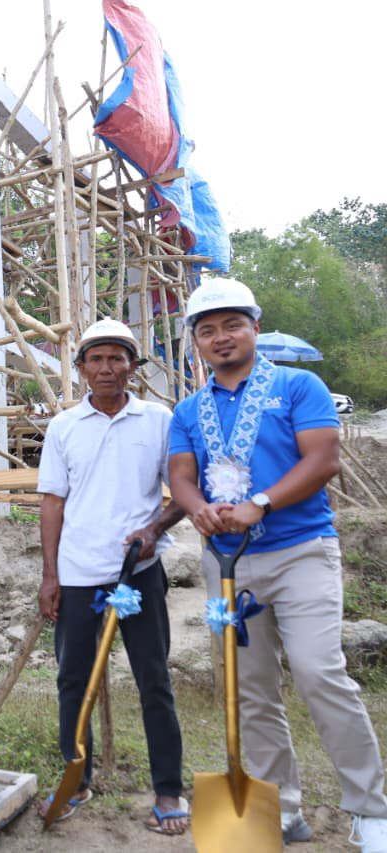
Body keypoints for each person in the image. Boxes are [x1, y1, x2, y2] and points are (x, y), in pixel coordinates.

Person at [168, 277, 387, 849]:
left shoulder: (297, 386)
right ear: (196, 341)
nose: (221, 337)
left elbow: (324, 459)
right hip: (226, 563)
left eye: (232, 325)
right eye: (207, 330)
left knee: (319, 673)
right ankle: (279, 808)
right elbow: (181, 476)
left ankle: (370, 810)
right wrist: (197, 509)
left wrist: (259, 503)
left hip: (300, 552)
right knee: (249, 687)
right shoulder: (188, 410)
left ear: (255, 328)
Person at [36, 319, 188, 834]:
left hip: (139, 572)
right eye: (96, 359)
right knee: (73, 680)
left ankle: (168, 789)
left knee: (154, 679)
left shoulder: (158, 420)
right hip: (79, 574)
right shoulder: (64, 427)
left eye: (116, 358)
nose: (106, 368)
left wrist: (154, 529)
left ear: (133, 367)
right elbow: (52, 503)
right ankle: (76, 780)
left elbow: (182, 492)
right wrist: (50, 576)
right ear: (81, 368)